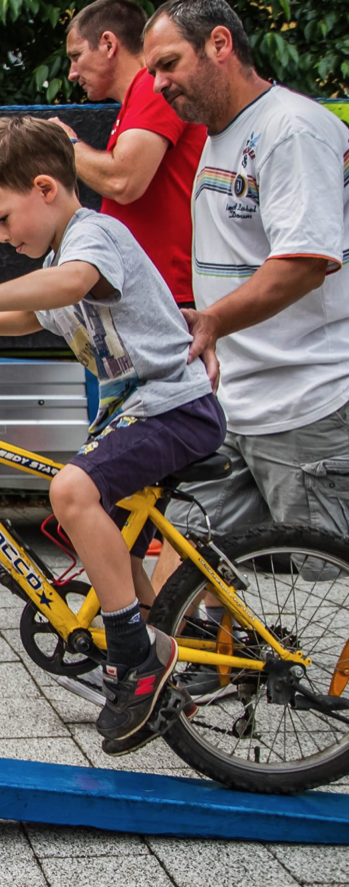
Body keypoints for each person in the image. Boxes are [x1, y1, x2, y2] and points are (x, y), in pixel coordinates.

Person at [0, 115, 224, 754]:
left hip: (173, 406)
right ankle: (155, 641)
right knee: (91, 529)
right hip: (136, 412)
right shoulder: (61, 255)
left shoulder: (95, 236)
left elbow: (71, 285)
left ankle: (134, 658)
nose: (0, 236)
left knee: (70, 490)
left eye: (3, 219)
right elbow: (39, 310)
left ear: (45, 189)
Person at [142, 1, 349, 593]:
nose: (158, 84)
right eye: (153, 72)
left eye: (168, 63)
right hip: (235, 398)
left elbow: (304, 264)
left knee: (328, 576)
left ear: (220, 44)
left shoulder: (291, 128)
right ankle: (202, 661)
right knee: (190, 543)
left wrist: (209, 320)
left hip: (306, 400)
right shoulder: (221, 135)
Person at [50, 0, 206, 306]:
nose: (71, 73)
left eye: (76, 56)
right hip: (156, 292)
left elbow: (123, 180)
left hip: (170, 296)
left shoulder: (151, 86)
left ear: (108, 44)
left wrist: (65, 143)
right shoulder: (139, 96)